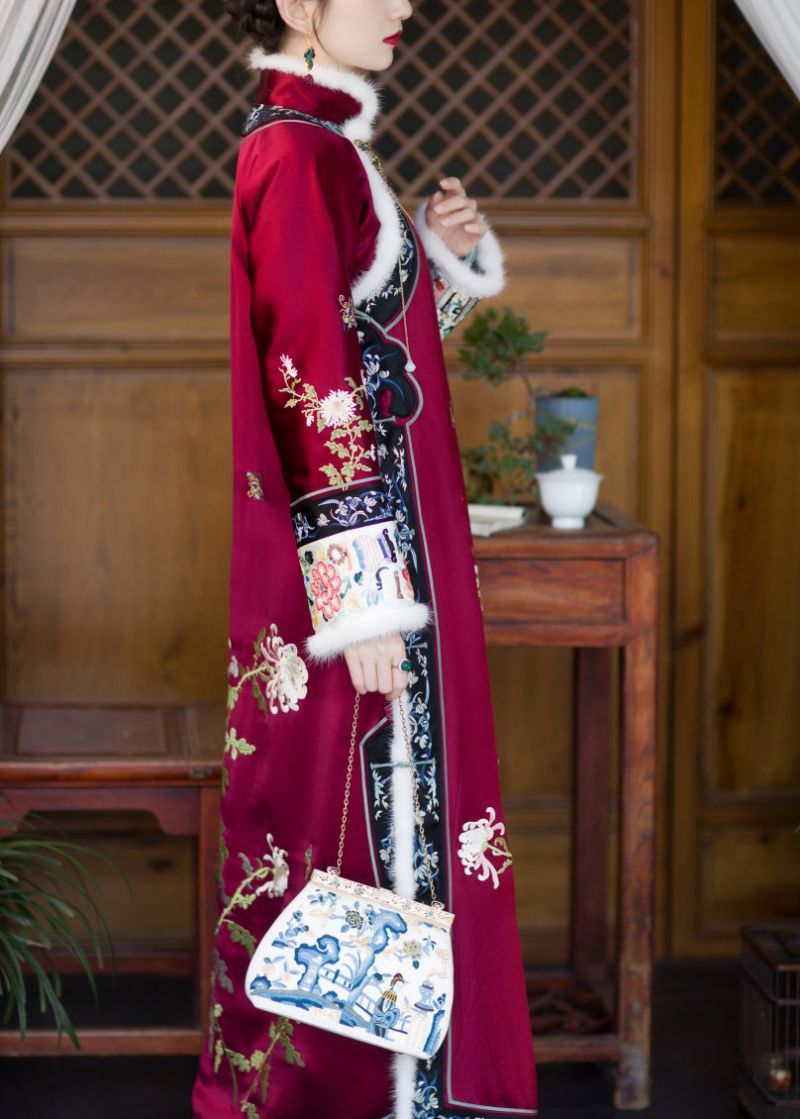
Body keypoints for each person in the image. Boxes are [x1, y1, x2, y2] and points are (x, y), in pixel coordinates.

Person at [191, 0, 538, 1116]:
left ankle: (393, 1090)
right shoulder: (296, 152)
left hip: (385, 551)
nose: (403, 6)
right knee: (350, 833)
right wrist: (365, 602)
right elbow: (309, 376)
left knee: (381, 840)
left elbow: (363, 350)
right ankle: (339, 1098)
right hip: (360, 574)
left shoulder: (326, 147)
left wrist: (437, 257)